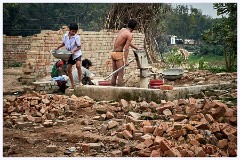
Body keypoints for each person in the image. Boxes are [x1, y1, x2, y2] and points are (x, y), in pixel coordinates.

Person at [111, 19, 139, 86]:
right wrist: (126, 60)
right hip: (118, 54)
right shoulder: (129, 35)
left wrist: (136, 48)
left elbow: (127, 43)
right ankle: (120, 93)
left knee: (114, 73)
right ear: (134, 28)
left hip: (113, 53)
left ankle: (112, 90)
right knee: (121, 74)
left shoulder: (122, 30)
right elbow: (126, 48)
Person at [55, 23, 82, 89]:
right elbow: (64, 43)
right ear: (69, 30)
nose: (74, 33)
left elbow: (79, 47)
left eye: (75, 32)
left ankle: (80, 82)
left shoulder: (77, 37)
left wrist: (74, 51)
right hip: (69, 54)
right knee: (69, 69)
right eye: (73, 31)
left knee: (78, 66)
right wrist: (58, 47)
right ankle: (73, 84)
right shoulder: (65, 36)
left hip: (77, 53)